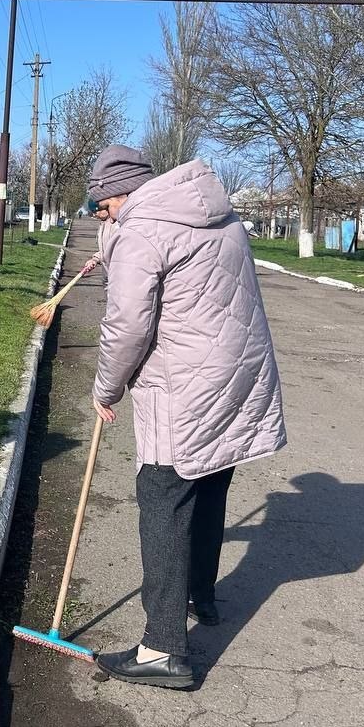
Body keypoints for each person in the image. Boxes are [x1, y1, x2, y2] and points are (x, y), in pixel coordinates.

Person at [88, 145, 286, 689]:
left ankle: (162, 650)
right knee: (209, 485)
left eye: (104, 207)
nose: (105, 216)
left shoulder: (141, 231)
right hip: (236, 379)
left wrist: (106, 387)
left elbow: (127, 325)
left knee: (165, 499)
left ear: (118, 193)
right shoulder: (218, 216)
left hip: (184, 386)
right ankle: (201, 595)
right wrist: (110, 247)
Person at [78, 198, 117, 286]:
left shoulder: (117, 225)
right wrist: (95, 259)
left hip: (117, 275)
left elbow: (116, 251)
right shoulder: (103, 224)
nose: (95, 214)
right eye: (94, 212)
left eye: (97, 211)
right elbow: (105, 249)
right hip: (107, 273)